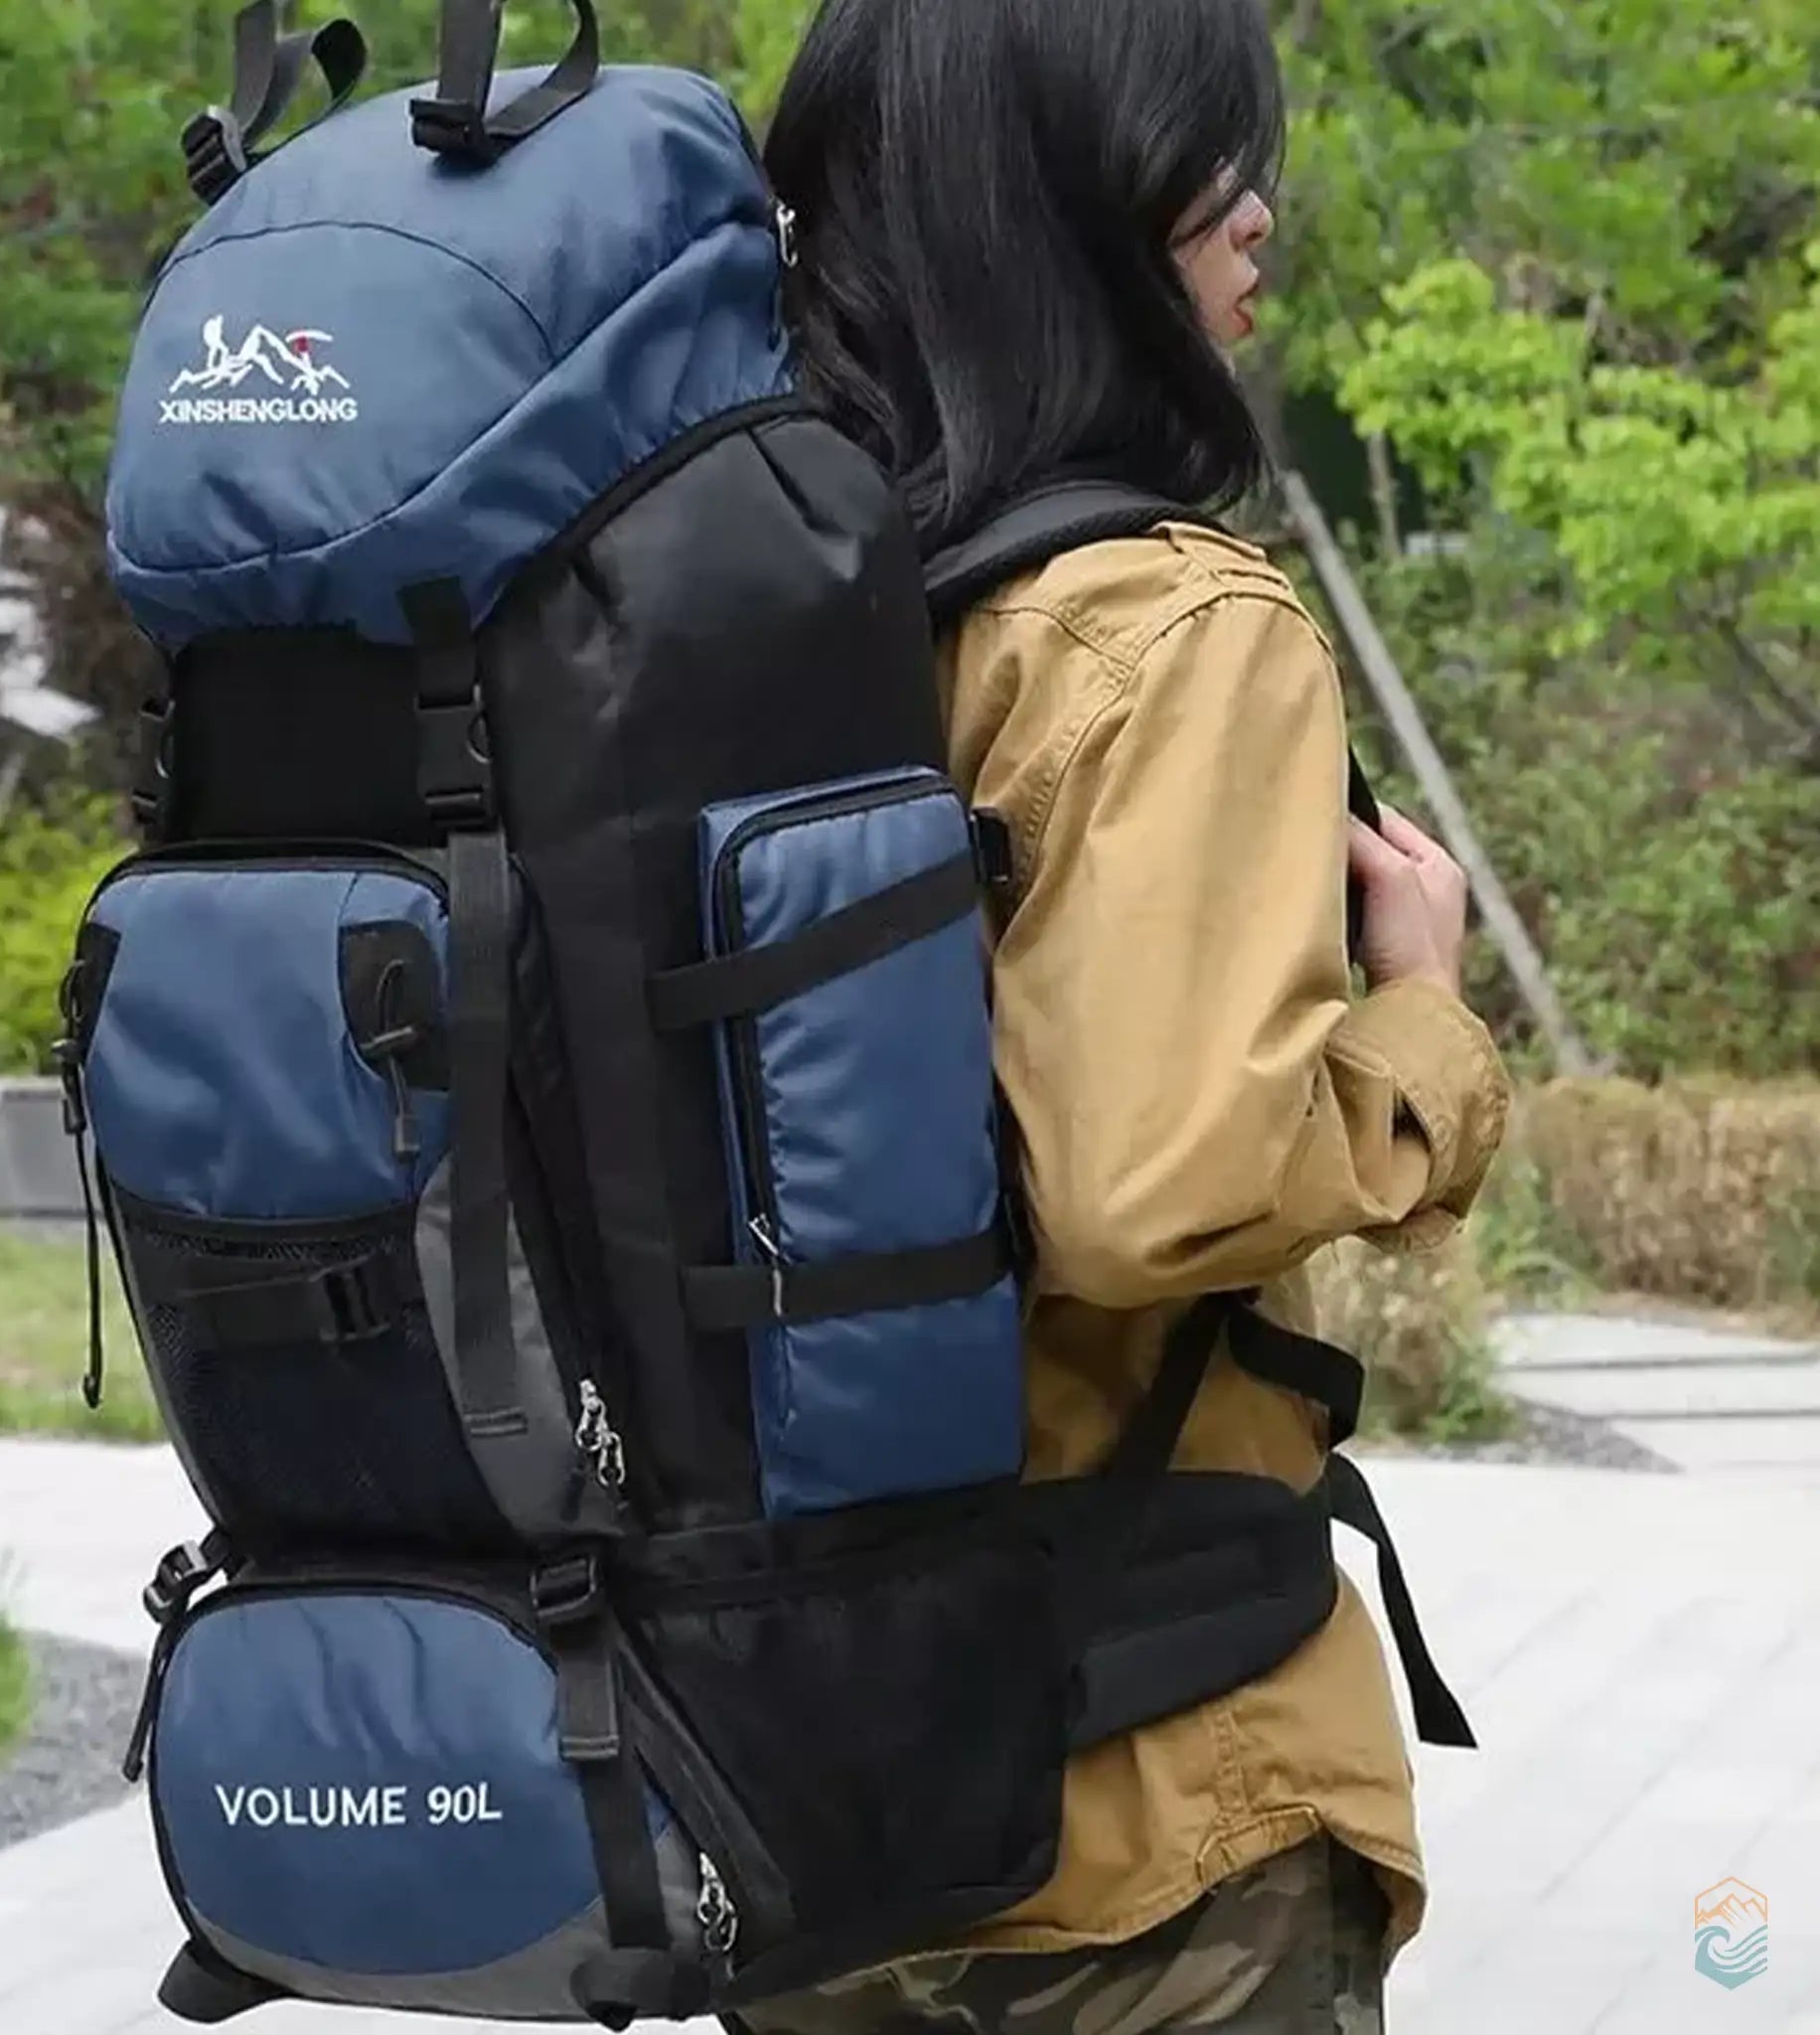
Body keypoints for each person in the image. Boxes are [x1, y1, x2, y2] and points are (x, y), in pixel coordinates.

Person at [752, 1, 1512, 2028]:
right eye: (1204, 159)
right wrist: (1421, 1020)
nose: (1255, 213)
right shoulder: (1167, 622)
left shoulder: (751, 612)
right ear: (1060, 205)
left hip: (780, 1774)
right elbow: (1152, 1187)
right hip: (1137, 1797)